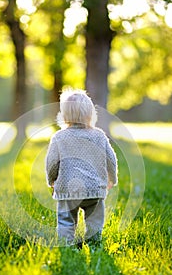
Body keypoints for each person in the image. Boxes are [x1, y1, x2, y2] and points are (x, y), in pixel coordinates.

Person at [45, 88, 118, 246]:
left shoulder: (59, 137)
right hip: (94, 189)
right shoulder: (99, 135)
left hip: (67, 189)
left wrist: (51, 180)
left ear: (64, 115)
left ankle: (66, 244)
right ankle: (93, 243)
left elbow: (51, 163)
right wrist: (112, 178)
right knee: (95, 221)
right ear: (91, 114)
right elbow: (111, 159)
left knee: (66, 221)